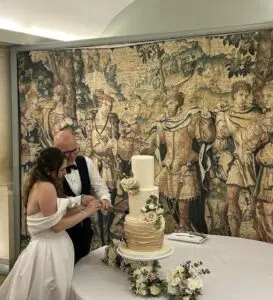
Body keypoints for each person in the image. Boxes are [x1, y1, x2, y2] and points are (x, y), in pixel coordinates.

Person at [0, 147, 102, 300]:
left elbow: (56, 213)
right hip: (48, 254)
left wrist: (83, 203)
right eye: (61, 170)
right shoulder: (46, 187)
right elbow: (56, 225)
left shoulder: (43, 184)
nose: (65, 173)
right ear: (50, 170)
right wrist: (86, 212)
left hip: (52, 249)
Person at [53, 128, 111, 262]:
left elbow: (100, 186)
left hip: (84, 230)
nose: (72, 155)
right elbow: (55, 203)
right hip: (61, 233)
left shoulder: (86, 162)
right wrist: (82, 200)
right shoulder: (50, 171)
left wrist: (104, 198)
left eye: (74, 150)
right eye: (66, 153)